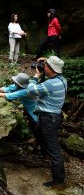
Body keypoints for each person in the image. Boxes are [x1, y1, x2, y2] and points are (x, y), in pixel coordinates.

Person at [27, 56, 67, 187]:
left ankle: (58, 180)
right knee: (39, 132)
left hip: (48, 119)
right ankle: (44, 154)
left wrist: (36, 76)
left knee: (54, 150)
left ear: (50, 68)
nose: (43, 67)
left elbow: (31, 90)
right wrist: (44, 60)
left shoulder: (50, 84)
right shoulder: (61, 79)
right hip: (53, 116)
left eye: (45, 65)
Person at [0, 73, 38, 137]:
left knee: (36, 127)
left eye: (16, 82)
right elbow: (9, 89)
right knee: (31, 124)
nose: (14, 82)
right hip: (28, 109)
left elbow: (11, 95)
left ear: (19, 84)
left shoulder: (26, 91)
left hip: (35, 112)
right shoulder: (27, 83)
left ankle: (36, 140)